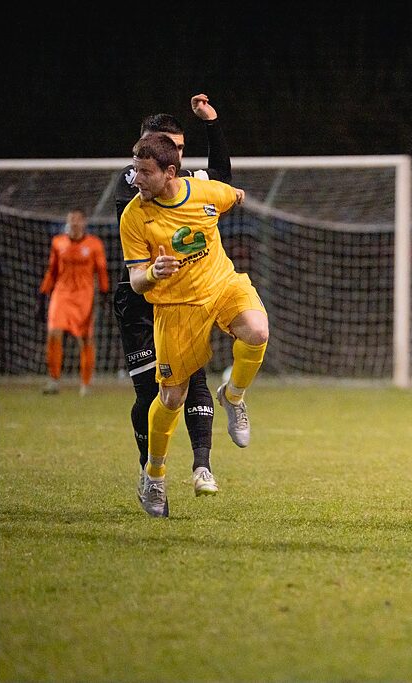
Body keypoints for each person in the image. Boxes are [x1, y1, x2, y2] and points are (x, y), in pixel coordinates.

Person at [120, 132, 268, 518]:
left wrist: (237, 195)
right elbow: (136, 281)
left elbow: (231, 194)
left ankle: (233, 396)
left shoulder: (202, 193)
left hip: (221, 285)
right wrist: (153, 272)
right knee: (172, 398)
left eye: (145, 172)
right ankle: (154, 475)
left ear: (170, 172)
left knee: (257, 331)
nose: (137, 178)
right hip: (176, 307)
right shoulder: (134, 216)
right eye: (135, 170)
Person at [112, 94, 232, 507]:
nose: (176, 156)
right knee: (151, 393)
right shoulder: (134, 184)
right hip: (140, 301)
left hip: (181, 296)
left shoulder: (178, 180)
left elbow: (221, 179)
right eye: (168, 147)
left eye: (180, 149)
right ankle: (150, 472)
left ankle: (202, 466)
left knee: (193, 380)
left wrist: (212, 124)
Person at [37, 208, 109, 395]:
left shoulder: (94, 244)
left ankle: (86, 384)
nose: (74, 223)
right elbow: (52, 271)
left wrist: (104, 294)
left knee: (86, 338)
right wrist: (43, 293)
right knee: (53, 333)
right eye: (71, 219)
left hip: (84, 296)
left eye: (77, 219)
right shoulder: (58, 242)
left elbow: (101, 271)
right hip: (61, 294)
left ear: (84, 222)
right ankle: (54, 380)